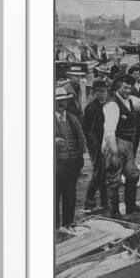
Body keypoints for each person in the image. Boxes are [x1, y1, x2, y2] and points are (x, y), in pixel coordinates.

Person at [102, 74, 140, 217]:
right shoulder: (112, 105)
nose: (128, 90)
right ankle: (114, 212)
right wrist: (114, 150)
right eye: (125, 87)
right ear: (117, 87)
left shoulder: (130, 100)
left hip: (128, 145)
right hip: (115, 144)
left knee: (133, 174)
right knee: (114, 180)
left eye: (130, 87)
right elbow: (109, 131)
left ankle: (130, 207)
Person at [55, 87, 87, 229]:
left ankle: (68, 223)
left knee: (70, 194)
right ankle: (54, 227)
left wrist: (80, 154)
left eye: (63, 101)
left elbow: (81, 137)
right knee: (54, 195)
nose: (61, 104)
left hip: (72, 163)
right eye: (58, 102)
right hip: (56, 164)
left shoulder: (73, 118)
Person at [82, 79, 108, 213]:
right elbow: (86, 128)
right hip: (96, 145)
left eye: (104, 91)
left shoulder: (106, 105)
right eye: (99, 92)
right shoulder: (91, 107)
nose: (102, 94)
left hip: (104, 142)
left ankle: (104, 201)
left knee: (104, 173)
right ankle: (89, 201)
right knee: (98, 173)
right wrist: (93, 144)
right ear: (94, 92)